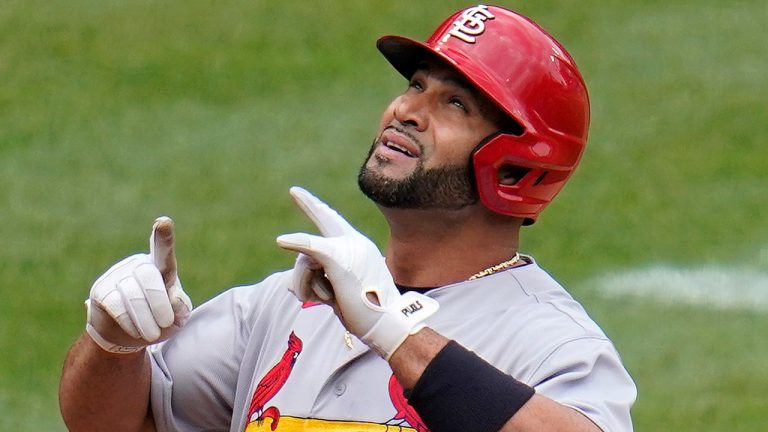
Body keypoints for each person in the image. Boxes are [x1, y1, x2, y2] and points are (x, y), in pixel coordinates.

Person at [60, 5, 636, 432]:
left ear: (515, 170)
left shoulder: (548, 341)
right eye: (415, 86)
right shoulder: (279, 308)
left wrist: (393, 334)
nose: (406, 110)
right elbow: (116, 423)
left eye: (454, 104)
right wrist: (112, 344)